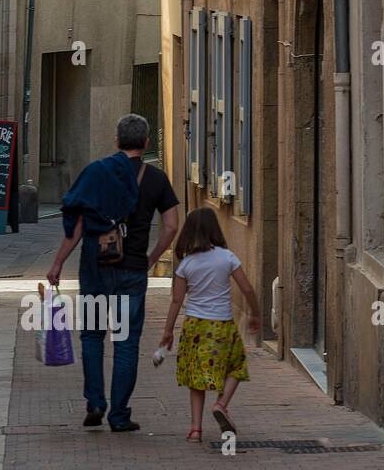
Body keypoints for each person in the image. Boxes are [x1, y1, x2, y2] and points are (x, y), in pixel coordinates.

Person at [48, 113, 179, 433]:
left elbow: (76, 224)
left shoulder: (96, 172)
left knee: (92, 336)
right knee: (125, 341)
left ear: (117, 141)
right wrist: (150, 259)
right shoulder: (157, 179)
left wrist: (58, 263)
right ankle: (119, 415)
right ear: (147, 142)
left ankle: (95, 402)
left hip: (94, 269)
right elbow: (172, 226)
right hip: (132, 271)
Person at [160, 207, 262, 443]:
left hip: (195, 326)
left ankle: (196, 429)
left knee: (197, 378)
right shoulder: (227, 257)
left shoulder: (186, 264)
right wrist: (255, 313)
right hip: (222, 325)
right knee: (236, 366)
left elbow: (177, 300)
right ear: (215, 229)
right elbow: (246, 288)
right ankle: (221, 404)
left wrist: (167, 331)